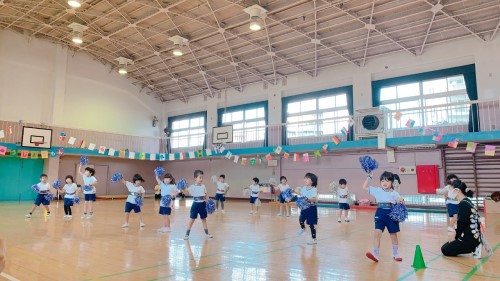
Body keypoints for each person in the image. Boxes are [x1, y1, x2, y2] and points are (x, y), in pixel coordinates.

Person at [363, 171, 404, 262]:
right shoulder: (377, 190)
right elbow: (365, 187)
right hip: (380, 213)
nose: (384, 183)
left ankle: (395, 254)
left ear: (391, 182)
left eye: (387, 181)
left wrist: (401, 200)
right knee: (377, 233)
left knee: (393, 235)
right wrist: (369, 178)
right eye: (382, 181)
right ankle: (375, 255)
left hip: (391, 214)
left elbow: (399, 199)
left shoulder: (394, 193)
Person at [441, 180, 483, 257]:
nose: (448, 192)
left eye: (450, 190)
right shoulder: (467, 201)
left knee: (444, 250)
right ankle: (475, 245)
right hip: (473, 237)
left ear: (457, 190)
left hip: (469, 239)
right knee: (445, 246)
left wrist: (456, 238)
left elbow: (461, 224)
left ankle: (474, 248)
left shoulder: (463, 204)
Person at [183, 170, 213, 240]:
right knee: (192, 220)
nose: (201, 179)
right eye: (200, 177)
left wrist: (208, 201)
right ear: (195, 178)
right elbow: (186, 192)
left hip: (203, 204)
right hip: (195, 205)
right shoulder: (192, 186)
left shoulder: (203, 186)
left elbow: (206, 194)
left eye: (202, 178)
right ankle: (187, 234)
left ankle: (207, 233)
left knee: (203, 219)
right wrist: (182, 188)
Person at [296, 173, 319, 245]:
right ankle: (302, 228)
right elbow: (301, 195)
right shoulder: (303, 188)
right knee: (301, 219)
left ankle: (314, 239)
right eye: (304, 178)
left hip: (311, 208)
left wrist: (307, 199)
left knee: (311, 224)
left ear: (312, 181)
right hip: (304, 207)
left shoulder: (314, 189)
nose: (305, 179)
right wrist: (294, 192)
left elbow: (314, 199)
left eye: (307, 178)